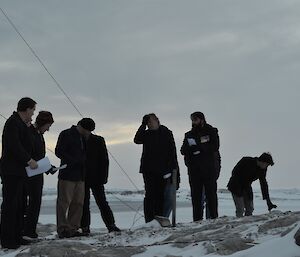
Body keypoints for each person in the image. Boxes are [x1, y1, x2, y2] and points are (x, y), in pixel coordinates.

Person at [0, 97, 38, 249]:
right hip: (11, 171)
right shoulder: (12, 122)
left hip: (21, 172)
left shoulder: (23, 124)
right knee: (10, 205)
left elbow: (28, 143)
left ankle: (16, 235)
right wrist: (29, 160)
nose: (33, 113)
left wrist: (29, 127)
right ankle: (7, 239)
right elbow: (14, 145)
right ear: (27, 109)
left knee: (20, 205)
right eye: (33, 110)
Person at [134, 113, 179, 223]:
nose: (149, 124)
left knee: (160, 195)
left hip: (163, 170)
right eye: (147, 122)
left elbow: (172, 152)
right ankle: (149, 220)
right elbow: (137, 139)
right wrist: (142, 125)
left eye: (150, 122)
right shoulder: (146, 134)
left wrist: (174, 170)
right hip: (148, 169)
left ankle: (159, 218)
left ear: (157, 121)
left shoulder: (166, 133)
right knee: (150, 195)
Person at [55, 118, 94, 238]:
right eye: (87, 130)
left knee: (78, 203)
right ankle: (62, 229)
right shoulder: (66, 134)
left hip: (80, 176)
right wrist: (73, 161)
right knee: (64, 202)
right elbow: (58, 151)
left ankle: (73, 228)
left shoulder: (84, 138)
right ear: (81, 127)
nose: (89, 133)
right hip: (67, 175)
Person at [181, 111, 220, 221]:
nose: (194, 122)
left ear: (201, 119)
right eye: (192, 120)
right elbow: (183, 150)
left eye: (195, 119)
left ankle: (213, 218)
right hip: (194, 170)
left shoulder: (211, 131)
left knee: (211, 195)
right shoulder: (189, 134)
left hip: (208, 169)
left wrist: (200, 148)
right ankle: (197, 220)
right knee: (196, 197)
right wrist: (192, 149)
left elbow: (215, 146)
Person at [23, 111, 54, 239]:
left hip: (38, 173)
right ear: (42, 123)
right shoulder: (29, 132)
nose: (48, 129)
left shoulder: (39, 135)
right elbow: (28, 153)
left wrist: (48, 167)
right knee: (26, 203)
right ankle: (25, 230)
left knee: (36, 202)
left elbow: (40, 156)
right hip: (28, 173)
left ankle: (31, 230)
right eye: (48, 126)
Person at [80, 133, 120, 234]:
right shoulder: (78, 139)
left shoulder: (98, 140)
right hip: (82, 176)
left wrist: (104, 177)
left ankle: (111, 225)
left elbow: (104, 159)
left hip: (96, 177)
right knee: (84, 203)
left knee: (102, 202)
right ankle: (85, 227)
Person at [227, 152, 277, 217]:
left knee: (250, 208)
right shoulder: (246, 160)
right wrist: (240, 188)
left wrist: (268, 201)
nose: (266, 166)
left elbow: (263, 184)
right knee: (240, 209)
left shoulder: (262, 169)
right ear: (262, 162)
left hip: (247, 187)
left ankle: (247, 224)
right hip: (235, 185)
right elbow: (234, 172)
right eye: (266, 164)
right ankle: (239, 224)